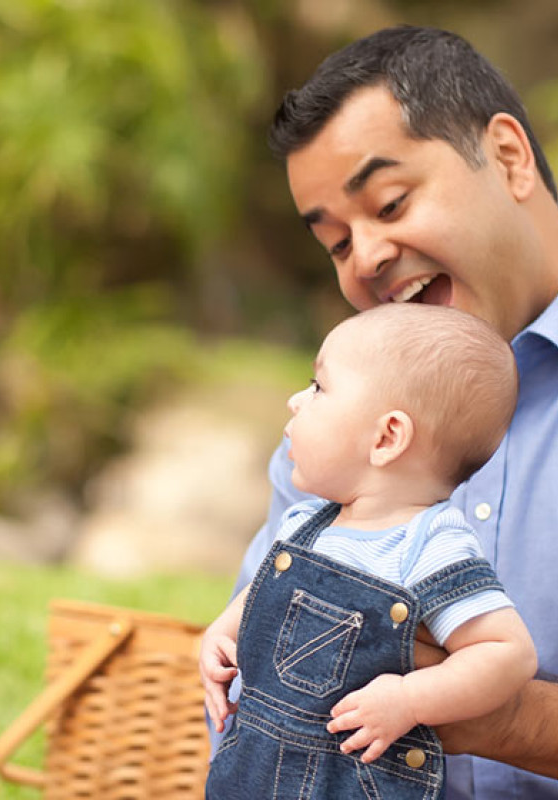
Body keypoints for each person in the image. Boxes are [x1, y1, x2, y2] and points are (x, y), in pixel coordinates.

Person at [209, 24, 558, 799]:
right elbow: (251, 688)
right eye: (334, 244)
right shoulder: (334, 443)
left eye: (390, 201)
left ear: (508, 156)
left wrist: (499, 717)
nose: (364, 257)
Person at [202, 303, 537, 798]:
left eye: (319, 388)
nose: (297, 400)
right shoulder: (307, 522)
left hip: (350, 783)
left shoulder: (429, 545)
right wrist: (220, 633)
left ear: (387, 437)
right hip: (253, 771)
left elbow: (508, 653)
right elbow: (266, 592)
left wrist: (410, 698)